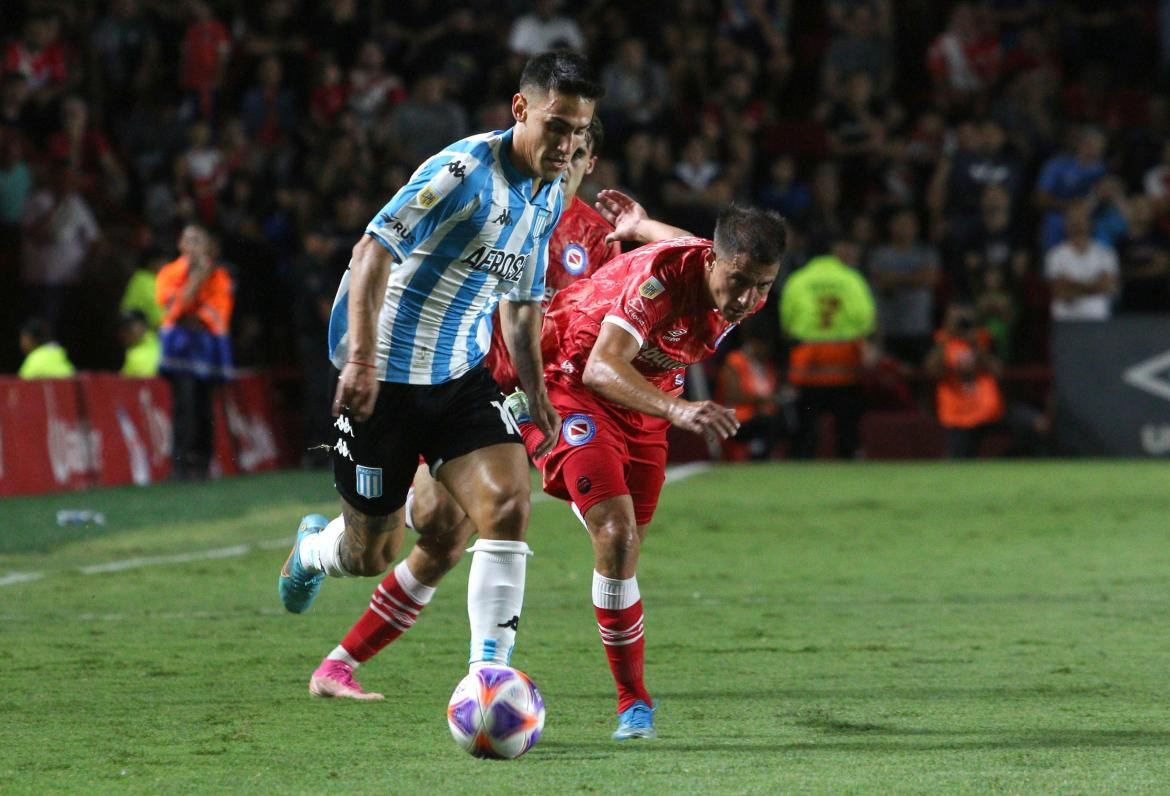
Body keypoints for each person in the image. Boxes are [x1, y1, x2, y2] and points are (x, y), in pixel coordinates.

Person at [277, 52, 602, 687]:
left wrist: (535, 392)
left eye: (580, 132)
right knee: (371, 552)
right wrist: (364, 361)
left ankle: (489, 680)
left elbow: (522, 302)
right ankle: (313, 551)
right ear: (520, 109)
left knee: (508, 504)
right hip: (386, 381)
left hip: (459, 377)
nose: (567, 144)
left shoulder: (547, 195)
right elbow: (371, 251)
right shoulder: (461, 172)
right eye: (557, 125)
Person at [779, 237, 876, 459]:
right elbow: (865, 319)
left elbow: (787, 322)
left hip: (808, 361)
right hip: (845, 360)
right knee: (847, 424)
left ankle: (804, 461)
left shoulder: (798, 279)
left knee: (806, 425)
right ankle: (849, 459)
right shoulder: (851, 278)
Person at [156, 224, 234, 480]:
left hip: (206, 346)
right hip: (179, 345)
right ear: (180, 245)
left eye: (198, 240)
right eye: (188, 240)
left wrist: (195, 311)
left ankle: (202, 463)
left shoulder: (220, 276)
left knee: (204, 406)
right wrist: (196, 279)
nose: (192, 246)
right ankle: (179, 464)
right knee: (183, 404)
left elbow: (218, 314)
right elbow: (173, 308)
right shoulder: (169, 273)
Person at [1044, 203, 1118, 321]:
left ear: (1091, 223)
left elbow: (1108, 288)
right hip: (1064, 320)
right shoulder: (1055, 255)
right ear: (1065, 225)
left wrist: (1071, 284)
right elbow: (1058, 292)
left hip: (1097, 319)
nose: (1078, 223)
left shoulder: (1105, 253)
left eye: (1081, 219)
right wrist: (1094, 285)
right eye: (1073, 219)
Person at [119, 308, 160, 377]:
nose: (123, 332)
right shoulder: (124, 349)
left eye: (128, 327)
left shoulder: (156, 341)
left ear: (142, 325)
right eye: (123, 327)